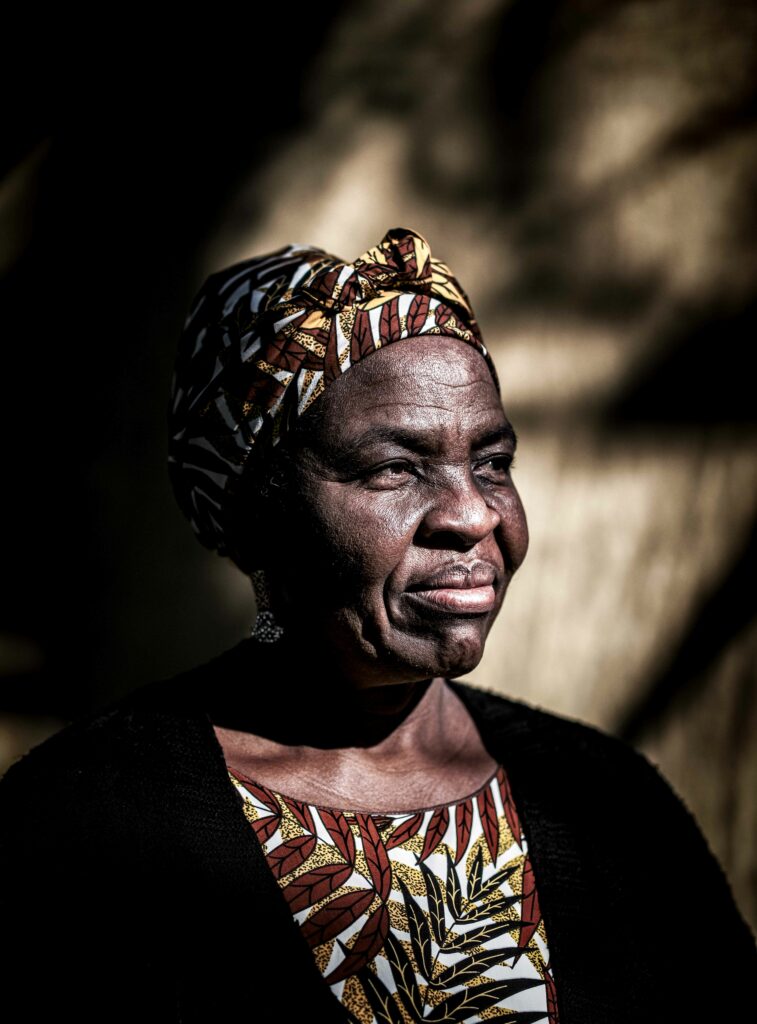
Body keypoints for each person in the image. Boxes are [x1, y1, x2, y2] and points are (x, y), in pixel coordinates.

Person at [0, 227, 754, 1023]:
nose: (471, 515)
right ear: (253, 512)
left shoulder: (608, 803)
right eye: (394, 468)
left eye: (492, 462)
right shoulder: (83, 822)